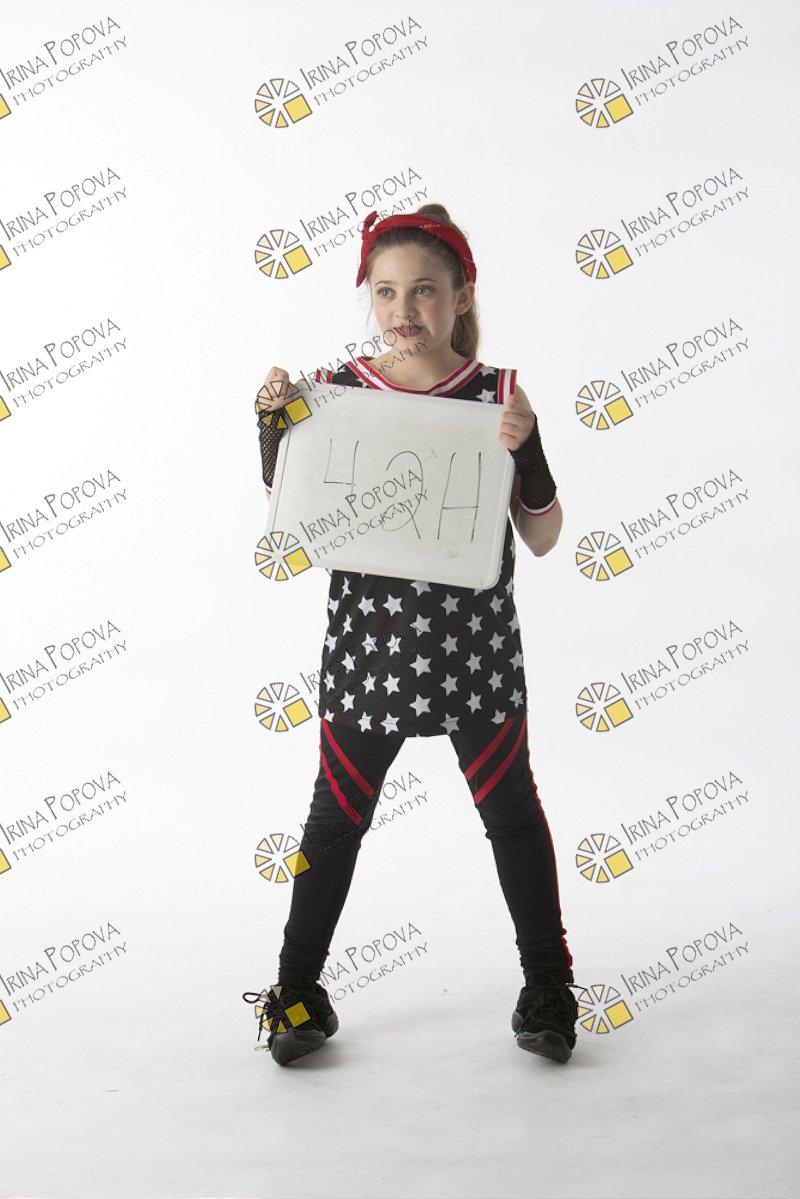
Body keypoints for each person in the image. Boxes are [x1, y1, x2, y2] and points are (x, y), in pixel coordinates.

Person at [242, 204, 583, 1067]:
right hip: (371, 654)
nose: (404, 309)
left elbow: (543, 537)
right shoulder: (337, 389)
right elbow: (295, 521)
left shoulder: (496, 396)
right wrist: (273, 428)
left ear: (460, 297)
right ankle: (295, 989)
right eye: (387, 291)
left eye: (424, 290)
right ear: (370, 296)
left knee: (511, 813)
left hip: (476, 655)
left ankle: (548, 985)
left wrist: (531, 451)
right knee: (334, 820)